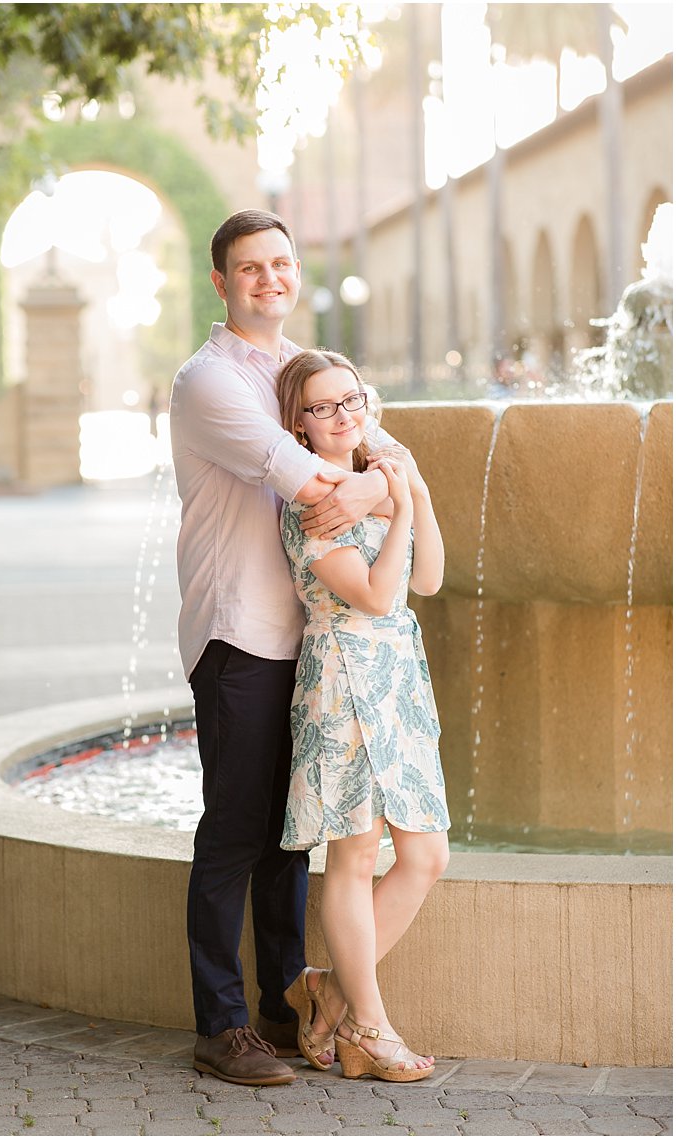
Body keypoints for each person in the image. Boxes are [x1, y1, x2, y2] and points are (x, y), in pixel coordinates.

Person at [169, 209, 404, 1086]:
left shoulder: (304, 370)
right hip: (239, 632)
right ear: (221, 282)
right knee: (234, 831)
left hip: (309, 636)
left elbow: (373, 452)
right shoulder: (209, 383)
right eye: (248, 267)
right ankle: (220, 1024)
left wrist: (379, 476)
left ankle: (280, 1001)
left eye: (280, 263)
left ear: (295, 272)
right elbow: (309, 480)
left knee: (289, 838)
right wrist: (386, 480)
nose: (268, 278)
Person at [274, 350, 449, 1083]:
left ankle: (329, 990)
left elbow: (431, 577)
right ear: (300, 424)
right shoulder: (311, 500)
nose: (345, 414)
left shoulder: (383, 470)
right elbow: (377, 595)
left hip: (398, 677)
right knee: (352, 853)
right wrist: (399, 500)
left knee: (426, 854)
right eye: (324, 406)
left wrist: (412, 492)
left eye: (352, 398)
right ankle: (368, 1029)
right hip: (343, 676)